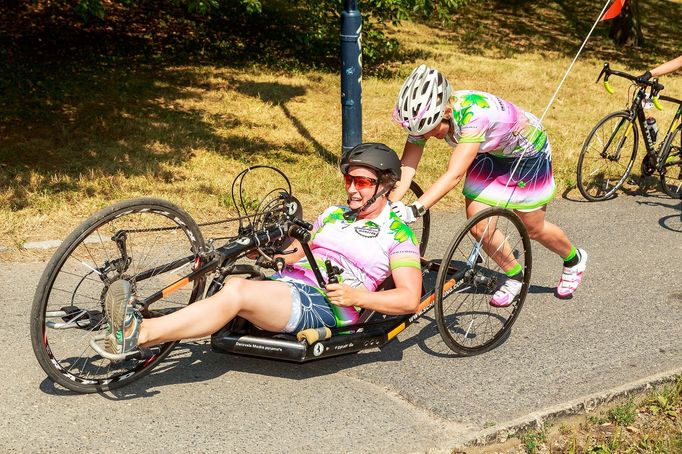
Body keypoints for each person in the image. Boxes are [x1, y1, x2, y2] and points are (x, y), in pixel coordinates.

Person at [103, 143, 423, 354]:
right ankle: (142, 323)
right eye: (348, 180)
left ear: (385, 185)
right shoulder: (333, 214)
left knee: (238, 292)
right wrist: (272, 254)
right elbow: (300, 252)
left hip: (328, 304)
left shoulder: (398, 234)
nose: (352, 188)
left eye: (363, 182)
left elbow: (409, 299)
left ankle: (138, 333)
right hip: (290, 286)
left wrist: (360, 298)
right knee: (228, 280)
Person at [389, 64, 587, 305]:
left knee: (533, 228)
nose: (428, 137)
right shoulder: (423, 117)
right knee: (479, 226)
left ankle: (574, 259)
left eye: (431, 131)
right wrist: (391, 202)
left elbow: (454, 174)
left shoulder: (475, 116)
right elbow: (407, 168)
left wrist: (416, 209)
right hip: (490, 151)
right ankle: (515, 276)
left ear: (447, 112)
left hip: (527, 154)